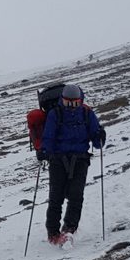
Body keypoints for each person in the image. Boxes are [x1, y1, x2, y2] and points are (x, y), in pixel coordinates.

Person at [39, 84, 104, 245]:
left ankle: (69, 229)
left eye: (75, 103)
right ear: (62, 100)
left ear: (80, 100)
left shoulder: (87, 114)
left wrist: (100, 136)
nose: (72, 106)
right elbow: (48, 136)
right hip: (58, 160)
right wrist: (44, 151)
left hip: (81, 158)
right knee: (56, 197)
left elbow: (97, 142)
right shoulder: (55, 114)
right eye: (68, 102)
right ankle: (53, 233)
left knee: (76, 195)